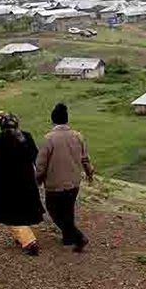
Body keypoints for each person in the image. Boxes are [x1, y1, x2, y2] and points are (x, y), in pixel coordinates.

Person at [0, 111, 45, 256]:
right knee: (20, 211)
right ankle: (22, 236)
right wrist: (40, 177)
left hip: (2, 184)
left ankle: (28, 241)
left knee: (9, 213)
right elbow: (36, 158)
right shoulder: (25, 136)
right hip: (25, 182)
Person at [36, 103, 95, 252]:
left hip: (55, 184)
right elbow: (85, 159)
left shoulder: (49, 138)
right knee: (68, 210)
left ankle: (78, 237)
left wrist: (37, 179)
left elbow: (41, 164)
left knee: (53, 210)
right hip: (74, 182)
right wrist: (89, 174)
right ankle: (68, 238)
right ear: (67, 120)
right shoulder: (78, 136)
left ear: (53, 120)